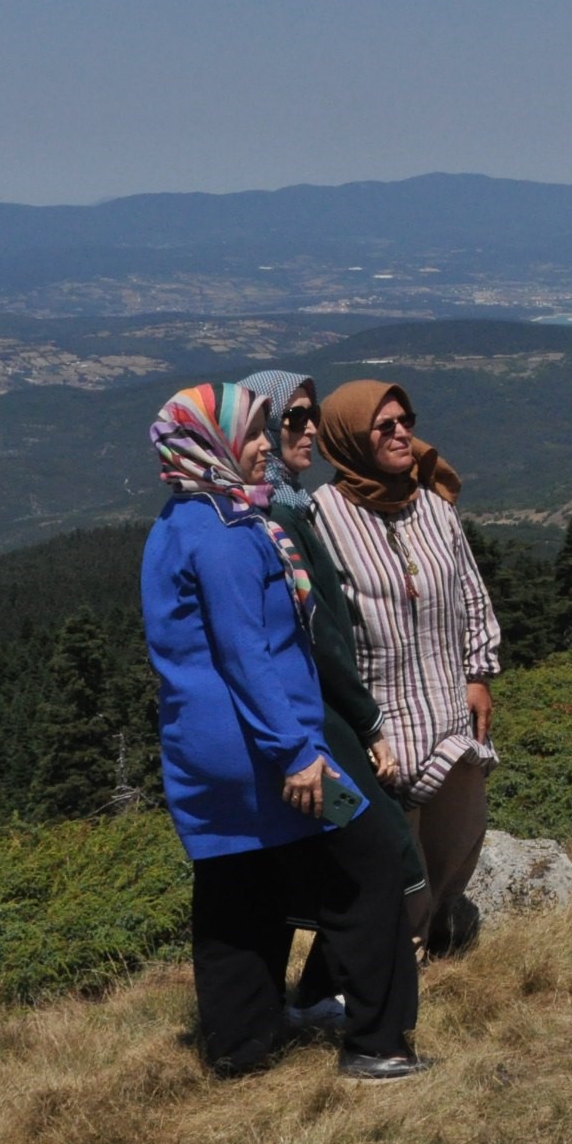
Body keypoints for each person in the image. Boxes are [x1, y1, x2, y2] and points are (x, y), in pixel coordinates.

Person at [138, 381, 427, 1081]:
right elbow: (249, 656)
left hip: (208, 759)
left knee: (238, 888)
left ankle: (242, 1045)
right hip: (273, 755)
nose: (267, 445)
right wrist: (298, 753)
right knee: (372, 864)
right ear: (212, 442)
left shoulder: (176, 522)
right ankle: (376, 1041)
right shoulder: (231, 539)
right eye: (254, 433)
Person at [236, 367, 428, 1026]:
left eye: (311, 415)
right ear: (257, 425)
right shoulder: (276, 517)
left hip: (315, 722)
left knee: (340, 854)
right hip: (319, 723)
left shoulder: (280, 504)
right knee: (380, 848)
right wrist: (369, 721)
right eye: (293, 419)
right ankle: (365, 1018)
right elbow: (316, 635)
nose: (308, 429)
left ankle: (312, 998)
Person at [307, 378, 504, 955]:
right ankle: (396, 962)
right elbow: (321, 633)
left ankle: (435, 937)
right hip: (383, 728)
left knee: (458, 836)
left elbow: (471, 592)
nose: (402, 432)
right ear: (348, 438)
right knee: (395, 857)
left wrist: (478, 674)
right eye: (384, 425)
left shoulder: (432, 506)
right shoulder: (324, 518)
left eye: (406, 420)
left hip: (449, 711)